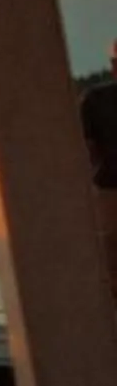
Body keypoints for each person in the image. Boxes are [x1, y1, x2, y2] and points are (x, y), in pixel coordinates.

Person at [83, 38, 117, 286]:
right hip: (108, 186)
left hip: (107, 186)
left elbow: (87, 147)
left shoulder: (96, 99)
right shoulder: (96, 99)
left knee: (109, 250)